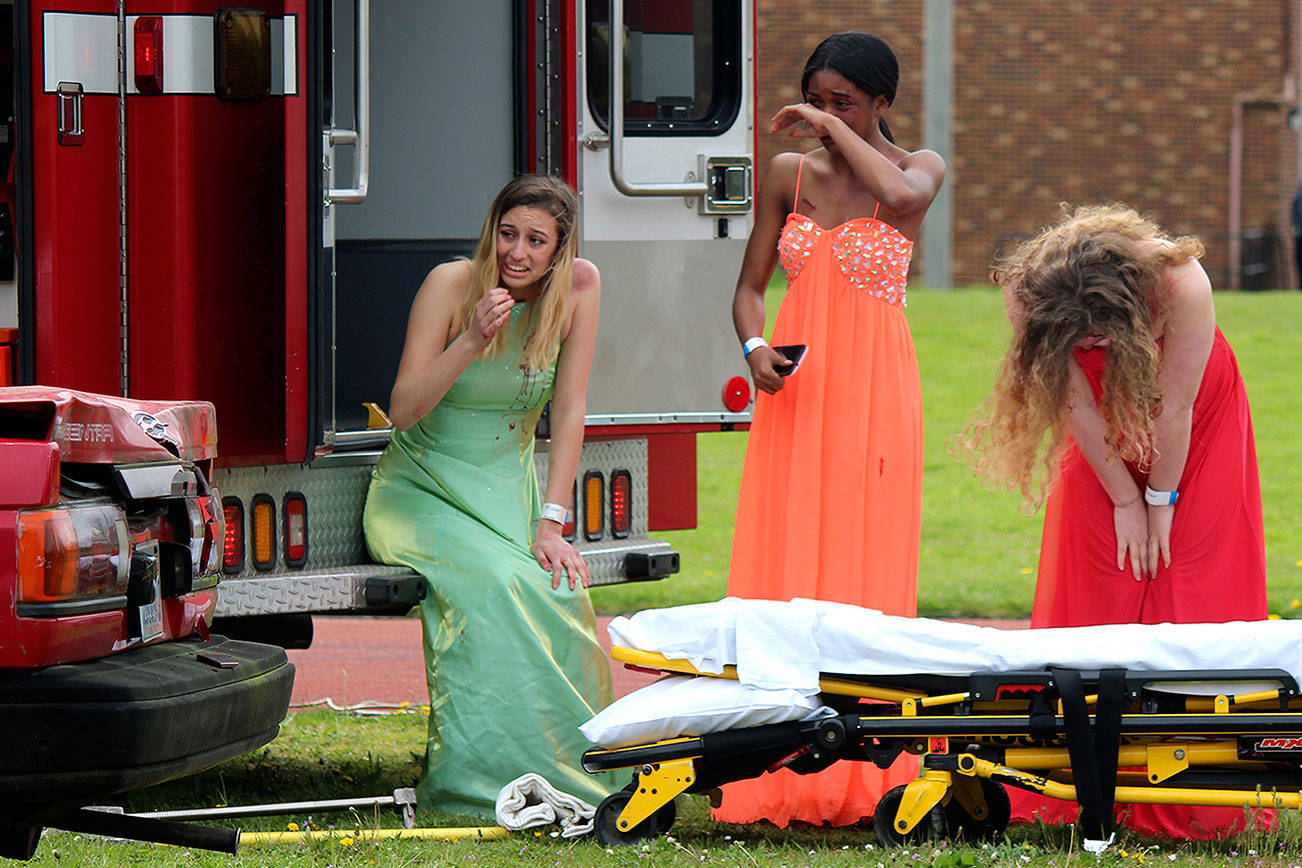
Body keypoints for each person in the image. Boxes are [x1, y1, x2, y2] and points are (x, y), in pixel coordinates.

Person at [960, 203, 1269, 838]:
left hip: (1194, 416)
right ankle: (1077, 773)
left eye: (1100, 334)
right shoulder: (1028, 291)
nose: (1090, 345)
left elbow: (1174, 406)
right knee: (1103, 572)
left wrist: (1161, 503)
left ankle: (1195, 785)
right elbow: (1074, 397)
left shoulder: (1180, 281)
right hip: (1095, 418)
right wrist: (1125, 502)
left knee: (1189, 572)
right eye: (1078, 337)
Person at [718, 31, 946, 827]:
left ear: (882, 102)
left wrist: (838, 131)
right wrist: (754, 348)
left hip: (877, 392)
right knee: (787, 559)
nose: (823, 115)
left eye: (843, 101)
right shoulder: (787, 175)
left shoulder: (918, 168)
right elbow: (748, 289)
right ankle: (771, 762)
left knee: (861, 560)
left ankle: (864, 767)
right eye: (816, 99)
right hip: (798, 390)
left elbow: (901, 192)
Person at [362, 174, 615, 816]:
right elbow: (403, 410)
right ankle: (477, 786)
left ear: (559, 251)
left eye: (536, 240)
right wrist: (470, 340)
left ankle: (574, 773)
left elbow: (571, 406)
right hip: (423, 490)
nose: (517, 253)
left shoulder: (580, 286)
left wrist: (552, 523)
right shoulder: (451, 284)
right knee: (496, 585)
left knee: (559, 587)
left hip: (508, 492)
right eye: (507, 234)